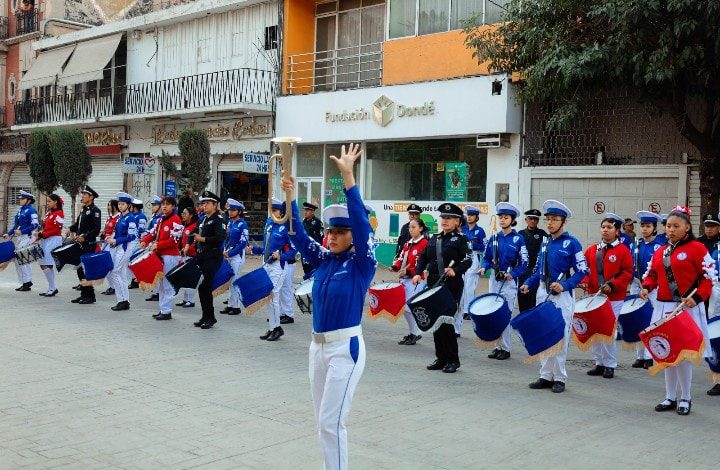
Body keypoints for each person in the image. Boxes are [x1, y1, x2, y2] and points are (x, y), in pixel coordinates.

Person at [281, 143, 376, 470]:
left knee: (331, 423)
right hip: (317, 349)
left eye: (339, 232)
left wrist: (348, 177)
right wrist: (291, 199)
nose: (332, 237)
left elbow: (363, 225)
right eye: (330, 231)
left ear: (352, 236)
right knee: (322, 421)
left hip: (345, 349)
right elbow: (299, 239)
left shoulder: (363, 263)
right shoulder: (324, 260)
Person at [640, 206, 714, 416]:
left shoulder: (698, 248)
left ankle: (686, 397)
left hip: (686, 308)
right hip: (663, 307)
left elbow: (709, 280)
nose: (670, 230)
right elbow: (652, 275)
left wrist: (696, 298)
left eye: (676, 226)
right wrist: (646, 287)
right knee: (666, 353)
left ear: (687, 227)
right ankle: (670, 396)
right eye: (668, 226)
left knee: (681, 356)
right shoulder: (660, 251)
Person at [520, 200, 589, 394]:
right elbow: (538, 269)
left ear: (563, 222)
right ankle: (545, 375)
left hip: (562, 295)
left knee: (559, 335)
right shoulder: (545, 242)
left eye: (554, 219)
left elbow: (583, 270)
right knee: (544, 333)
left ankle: (559, 378)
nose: (549, 223)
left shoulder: (572, 242)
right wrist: (529, 283)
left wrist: (565, 285)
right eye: (548, 219)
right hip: (543, 292)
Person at [413, 203, 472, 373]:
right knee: (435, 322)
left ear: (457, 221)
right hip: (433, 284)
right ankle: (441, 358)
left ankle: (453, 360)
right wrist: (418, 273)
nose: (444, 221)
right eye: (443, 218)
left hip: (451, 286)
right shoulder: (434, 238)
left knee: (446, 322)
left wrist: (456, 270)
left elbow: (468, 260)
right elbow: (423, 258)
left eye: (449, 218)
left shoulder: (461, 240)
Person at [579, 213, 634, 379]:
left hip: (614, 298)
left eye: (609, 227)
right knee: (595, 330)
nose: (605, 230)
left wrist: (613, 284)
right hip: (594, 297)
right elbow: (584, 269)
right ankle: (599, 363)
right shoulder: (592, 250)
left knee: (608, 331)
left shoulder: (623, 250)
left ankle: (610, 365)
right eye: (603, 227)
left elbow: (628, 272)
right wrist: (585, 281)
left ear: (617, 231)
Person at [480, 202, 528, 360]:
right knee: (494, 313)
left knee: (505, 314)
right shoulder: (494, 238)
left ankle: (506, 348)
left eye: (506, 217)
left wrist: (512, 274)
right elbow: (487, 258)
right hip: (494, 279)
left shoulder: (518, 239)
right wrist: (484, 267)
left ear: (512, 220)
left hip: (509, 282)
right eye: (500, 217)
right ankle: (497, 346)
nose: (502, 220)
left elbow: (524, 263)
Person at [252, 199, 297, 341]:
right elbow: (266, 248)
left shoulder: (286, 227)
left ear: (280, 212)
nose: (272, 213)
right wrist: (254, 249)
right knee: (268, 297)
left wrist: (281, 256)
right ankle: (273, 327)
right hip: (267, 264)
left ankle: (277, 328)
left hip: (279, 266)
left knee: (272, 295)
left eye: (274, 210)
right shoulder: (269, 225)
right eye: (271, 210)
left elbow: (294, 250)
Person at [629, 211, 664, 369]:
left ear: (655, 228)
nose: (644, 229)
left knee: (653, 321)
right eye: (642, 226)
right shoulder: (636, 244)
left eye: (648, 226)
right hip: (637, 284)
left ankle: (651, 357)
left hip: (654, 286)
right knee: (638, 319)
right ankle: (640, 356)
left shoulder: (660, 246)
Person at [141, 196, 183, 321]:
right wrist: (145, 240)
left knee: (167, 284)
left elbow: (174, 241)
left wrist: (158, 244)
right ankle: (163, 309)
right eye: (163, 204)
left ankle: (167, 311)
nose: (164, 206)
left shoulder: (176, 220)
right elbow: (153, 234)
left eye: (168, 204)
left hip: (170, 256)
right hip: (160, 255)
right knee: (160, 284)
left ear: (173, 206)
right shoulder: (160, 220)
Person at [391, 218, 428, 345]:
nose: (410, 229)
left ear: (421, 228)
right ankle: (414, 333)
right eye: (410, 227)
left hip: (416, 280)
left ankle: (416, 333)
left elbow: (422, 265)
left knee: (408, 307)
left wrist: (408, 272)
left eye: (413, 227)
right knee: (405, 308)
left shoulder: (424, 243)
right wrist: (395, 266)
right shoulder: (408, 243)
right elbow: (401, 257)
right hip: (405, 279)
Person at [193, 191, 226, 329]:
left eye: (207, 203)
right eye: (203, 203)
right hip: (202, 256)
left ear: (215, 205)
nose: (204, 205)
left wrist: (203, 239)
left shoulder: (219, 219)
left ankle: (210, 317)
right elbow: (194, 231)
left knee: (205, 287)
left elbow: (220, 237)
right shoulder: (203, 219)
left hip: (212, 257)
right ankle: (205, 316)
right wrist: (189, 242)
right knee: (202, 288)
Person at [69, 186, 102, 305]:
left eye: (84, 194)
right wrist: (70, 228)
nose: (82, 196)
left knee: (86, 270)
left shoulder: (95, 210)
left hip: (88, 244)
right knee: (79, 270)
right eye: (82, 194)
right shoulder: (84, 209)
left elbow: (96, 229)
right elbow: (78, 224)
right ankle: (84, 294)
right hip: (80, 244)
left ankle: (90, 296)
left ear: (91, 197)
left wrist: (85, 236)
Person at [106, 193, 137, 312]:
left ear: (128, 205)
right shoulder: (120, 218)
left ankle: (122, 300)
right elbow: (116, 232)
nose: (120, 206)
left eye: (122, 204)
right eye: (119, 204)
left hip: (125, 248)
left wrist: (116, 240)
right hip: (119, 247)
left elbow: (132, 236)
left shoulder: (131, 218)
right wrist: (111, 239)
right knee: (122, 275)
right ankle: (125, 301)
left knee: (114, 272)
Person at [457, 205, 486, 335]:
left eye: (472, 215)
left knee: (470, 286)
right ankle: (463, 309)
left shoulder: (480, 231)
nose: (469, 217)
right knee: (462, 285)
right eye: (468, 215)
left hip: (474, 258)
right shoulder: (462, 229)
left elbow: (484, 246)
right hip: (463, 257)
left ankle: (469, 310)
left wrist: (473, 244)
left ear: (476, 217)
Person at [3, 190, 39, 291]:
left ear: (28, 200)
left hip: (27, 237)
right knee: (18, 261)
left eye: (22, 199)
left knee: (24, 260)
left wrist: (22, 231)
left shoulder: (32, 211)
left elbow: (35, 224)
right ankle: (24, 282)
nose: (20, 200)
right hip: (20, 238)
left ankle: (27, 282)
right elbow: (16, 225)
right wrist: (9, 233)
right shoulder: (21, 210)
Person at [220, 199, 249, 316]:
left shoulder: (243, 224)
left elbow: (243, 243)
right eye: (229, 210)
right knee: (230, 281)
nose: (230, 212)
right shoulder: (230, 223)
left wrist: (230, 253)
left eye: (233, 210)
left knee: (234, 281)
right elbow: (225, 238)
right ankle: (230, 305)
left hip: (237, 255)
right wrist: (224, 250)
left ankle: (236, 307)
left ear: (239, 211)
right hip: (228, 253)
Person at [518, 209, 548, 311]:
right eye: (530, 219)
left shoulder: (542, 234)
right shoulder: (520, 234)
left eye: (535, 219)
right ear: (526, 220)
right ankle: (522, 316)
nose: (533, 221)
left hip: (535, 269)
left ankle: (532, 317)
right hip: (523, 269)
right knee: (522, 293)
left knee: (533, 295)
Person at [37, 194, 64, 297]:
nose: (48, 203)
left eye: (49, 201)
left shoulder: (59, 213)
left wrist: (42, 234)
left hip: (54, 240)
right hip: (45, 239)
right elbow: (44, 228)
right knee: (45, 263)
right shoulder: (49, 213)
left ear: (55, 202)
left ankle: (52, 288)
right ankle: (52, 287)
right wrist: (38, 237)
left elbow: (57, 229)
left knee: (46, 263)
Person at [177, 206, 198, 308]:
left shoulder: (194, 226)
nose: (183, 215)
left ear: (191, 215)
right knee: (185, 278)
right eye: (182, 213)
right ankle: (185, 299)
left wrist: (186, 249)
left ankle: (191, 300)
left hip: (192, 255)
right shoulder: (185, 225)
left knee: (191, 278)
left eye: (185, 213)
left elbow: (194, 242)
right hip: (184, 254)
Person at [144, 195, 163, 302]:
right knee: (154, 269)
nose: (153, 207)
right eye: (153, 205)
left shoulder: (160, 218)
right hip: (151, 243)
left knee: (157, 269)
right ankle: (155, 291)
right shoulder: (154, 217)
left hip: (156, 245)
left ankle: (158, 292)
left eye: (155, 205)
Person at [100, 200, 120, 296]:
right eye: (107, 205)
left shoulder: (118, 218)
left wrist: (111, 238)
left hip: (112, 244)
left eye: (110, 205)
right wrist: (102, 232)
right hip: (105, 243)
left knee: (109, 266)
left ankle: (114, 287)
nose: (108, 207)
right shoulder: (109, 218)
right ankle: (112, 286)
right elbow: (105, 229)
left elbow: (116, 232)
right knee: (106, 266)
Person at [127, 199, 146, 290]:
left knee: (134, 260)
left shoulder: (141, 216)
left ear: (135, 207)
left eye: (131, 206)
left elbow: (141, 231)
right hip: (131, 241)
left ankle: (136, 279)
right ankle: (135, 279)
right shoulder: (132, 215)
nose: (129, 207)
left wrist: (141, 242)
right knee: (131, 261)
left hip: (137, 241)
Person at [301, 201, 324, 275]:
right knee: (306, 271)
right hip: (305, 251)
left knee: (314, 272)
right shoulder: (304, 221)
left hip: (313, 251)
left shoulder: (317, 222)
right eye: (305, 210)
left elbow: (321, 239)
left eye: (307, 210)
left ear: (312, 211)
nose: (305, 212)